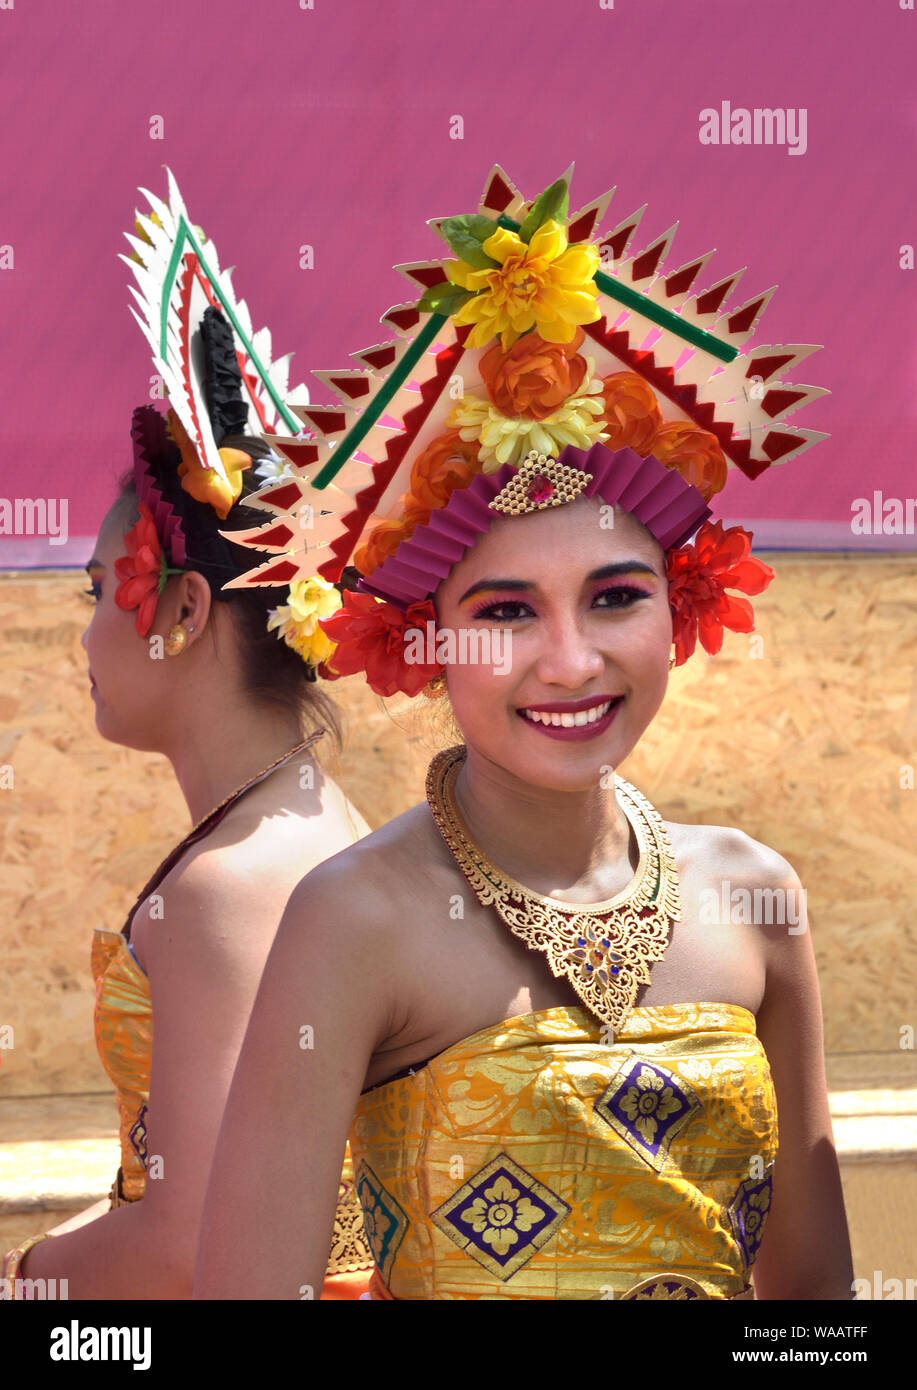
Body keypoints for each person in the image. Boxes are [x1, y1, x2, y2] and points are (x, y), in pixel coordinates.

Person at [193, 166, 853, 1300]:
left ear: (680, 601)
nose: (569, 661)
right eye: (503, 613)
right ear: (423, 640)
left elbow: (812, 1311)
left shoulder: (755, 897)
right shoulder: (355, 918)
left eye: (613, 596)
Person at [1, 172, 373, 1299]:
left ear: (179, 609)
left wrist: (27, 1276)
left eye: (89, 596)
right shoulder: (307, 825)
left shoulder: (228, 889)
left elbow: (191, 1246)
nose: (81, 643)